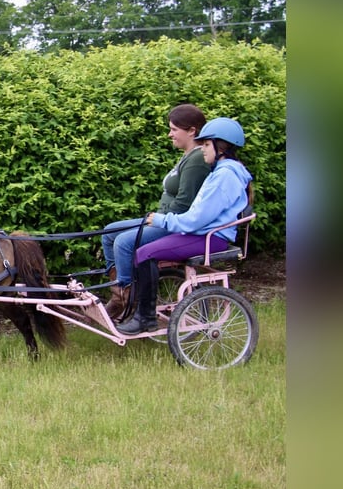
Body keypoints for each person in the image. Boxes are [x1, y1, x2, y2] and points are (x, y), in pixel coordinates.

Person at [116, 117, 253, 335]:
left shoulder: (225, 176)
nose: (203, 149)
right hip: (202, 234)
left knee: (144, 253)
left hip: (209, 238)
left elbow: (196, 219)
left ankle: (145, 319)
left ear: (221, 147)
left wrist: (163, 220)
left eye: (207, 144)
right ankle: (138, 312)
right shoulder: (221, 172)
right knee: (142, 250)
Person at [101, 104, 210, 319]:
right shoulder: (189, 156)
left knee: (123, 242)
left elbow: (184, 204)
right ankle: (119, 291)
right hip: (163, 218)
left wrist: (158, 220)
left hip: (175, 224)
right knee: (108, 232)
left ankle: (127, 296)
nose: (170, 134)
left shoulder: (197, 160)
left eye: (174, 129)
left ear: (192, 131)